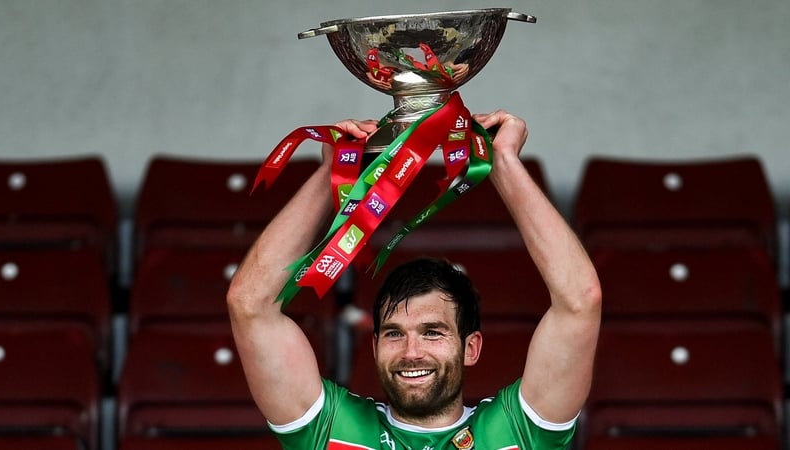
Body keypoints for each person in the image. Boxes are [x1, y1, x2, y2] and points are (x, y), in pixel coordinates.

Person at [227, 110, 602, 449]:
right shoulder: (332, 428)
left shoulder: (517, 431)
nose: (411, 352)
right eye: (394, 333)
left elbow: (580, 301)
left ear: (471, 348)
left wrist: (502, 162)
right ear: (373, 347)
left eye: (433, 332)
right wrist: (333, 173)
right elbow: (250, 305)